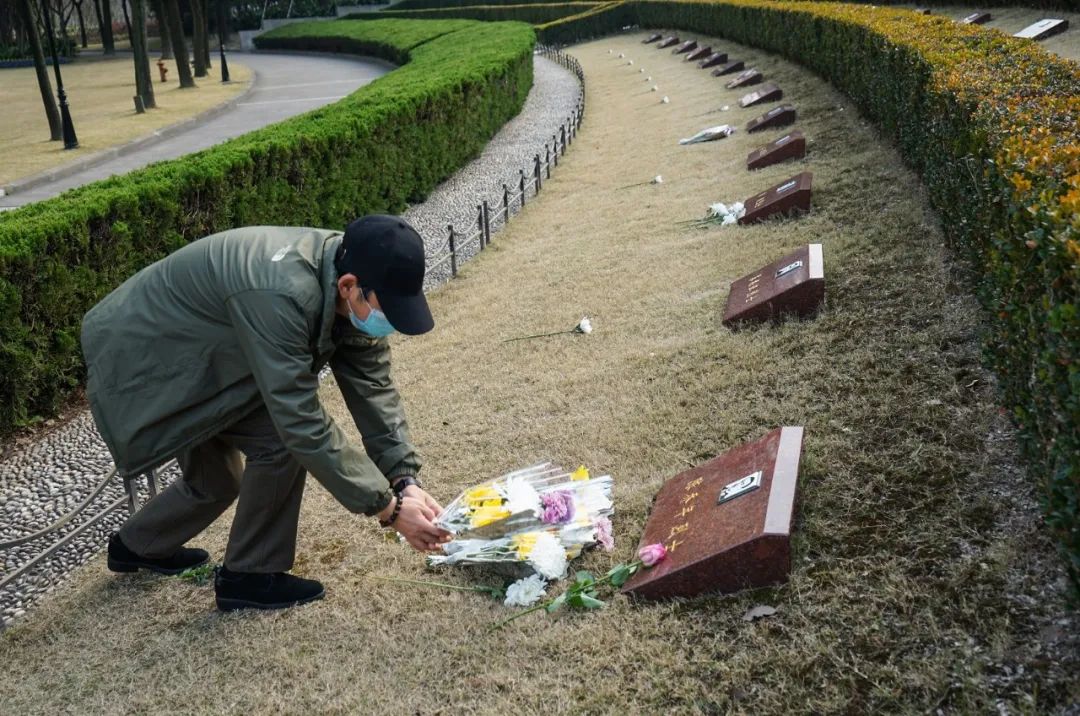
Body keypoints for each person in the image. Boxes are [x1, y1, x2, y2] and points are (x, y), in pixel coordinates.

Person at [80, 215, 451, 611]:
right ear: (349, 287)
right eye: (387, 309)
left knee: (217, 480)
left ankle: (138, 545)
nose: (390, 322)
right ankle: (249, 576)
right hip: (148, 353)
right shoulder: (284, 295)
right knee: (279, 442)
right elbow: (299, 420)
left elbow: (373, 387)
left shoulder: (350, 273)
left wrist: (403, 478)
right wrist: (389, 510)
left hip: (205, 343)